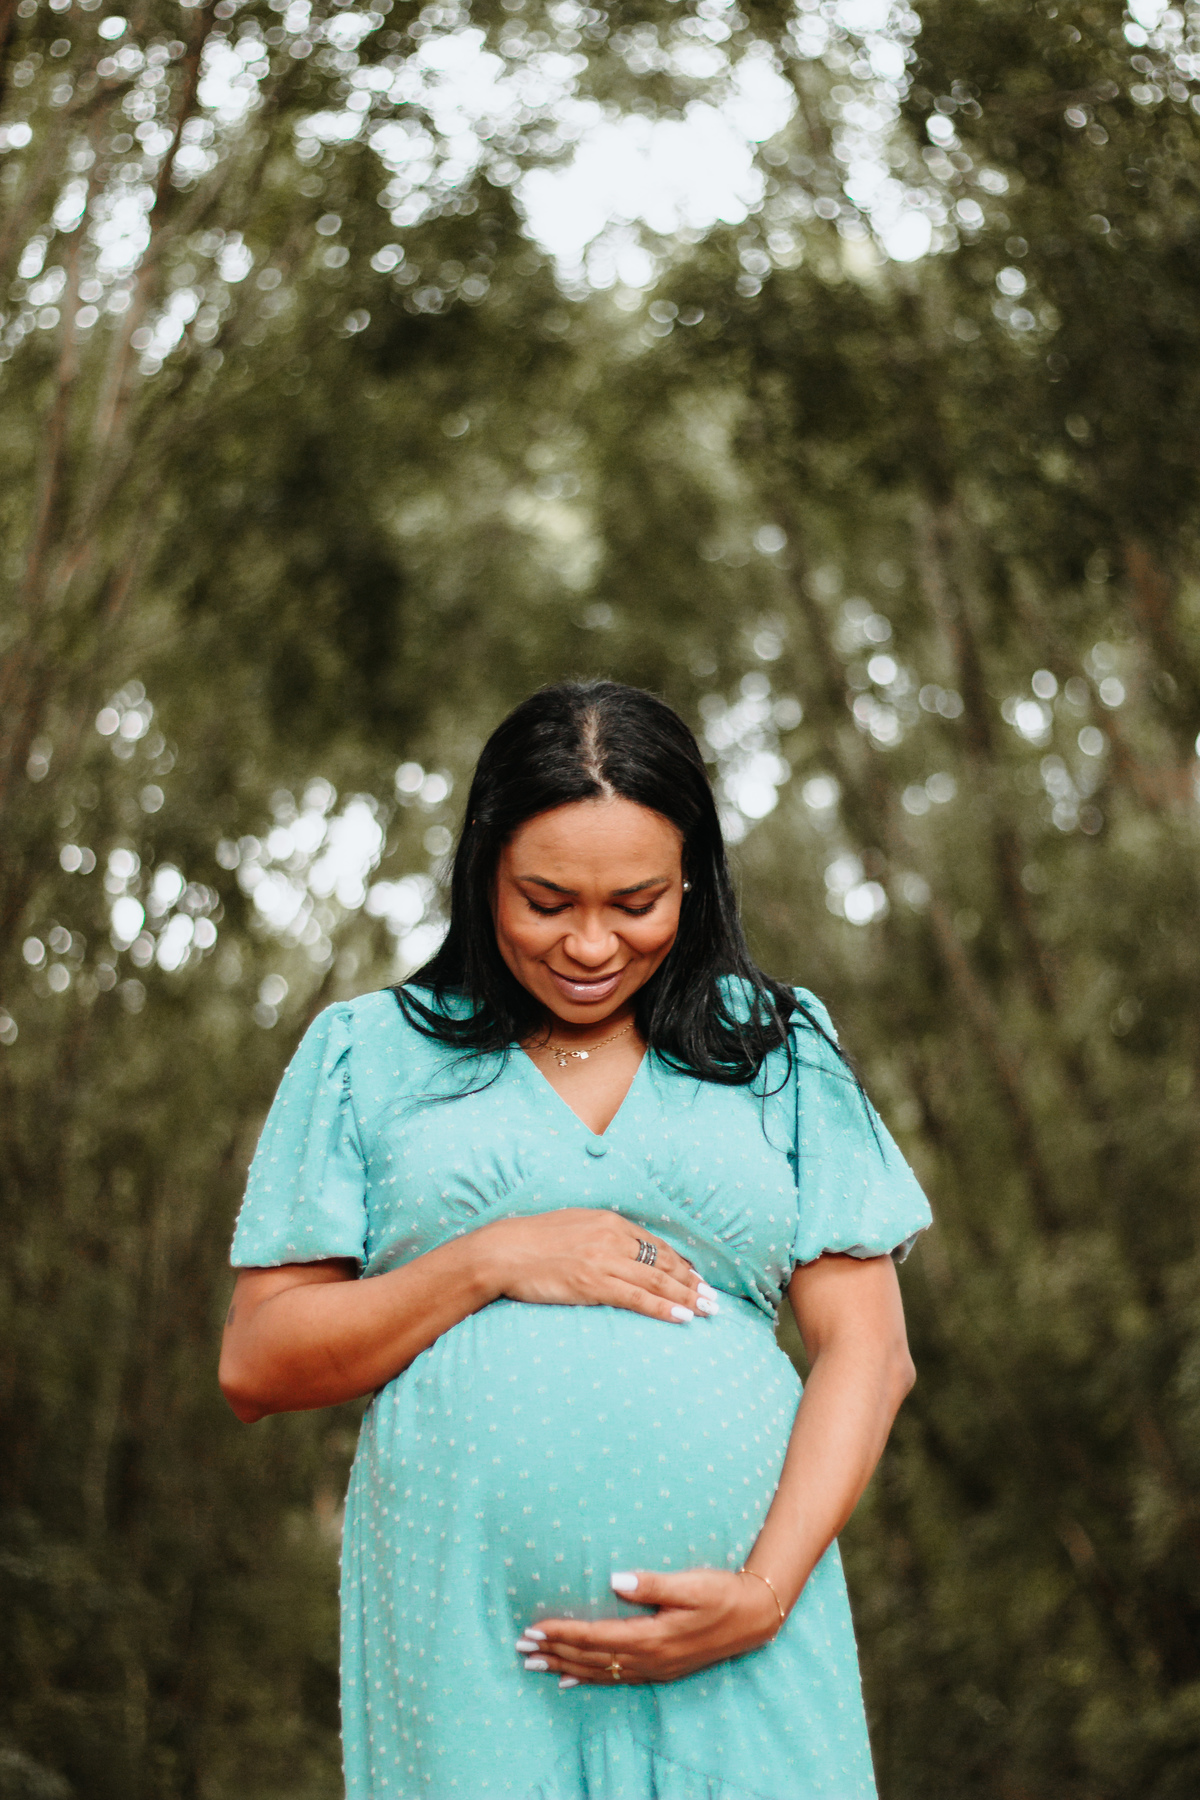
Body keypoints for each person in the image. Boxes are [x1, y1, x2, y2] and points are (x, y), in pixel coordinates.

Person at [219, 680, 931, 1800]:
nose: (591, 944)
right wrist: (490, 1258)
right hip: (470, 1649)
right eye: (545, 901)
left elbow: (870, 1352)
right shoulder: (368, 1054)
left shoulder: (779, 1050)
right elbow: (257, 1363)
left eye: (636, 902)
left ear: (691, 882)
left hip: (747, 1637)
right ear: (482, 875)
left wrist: (764, 1592)